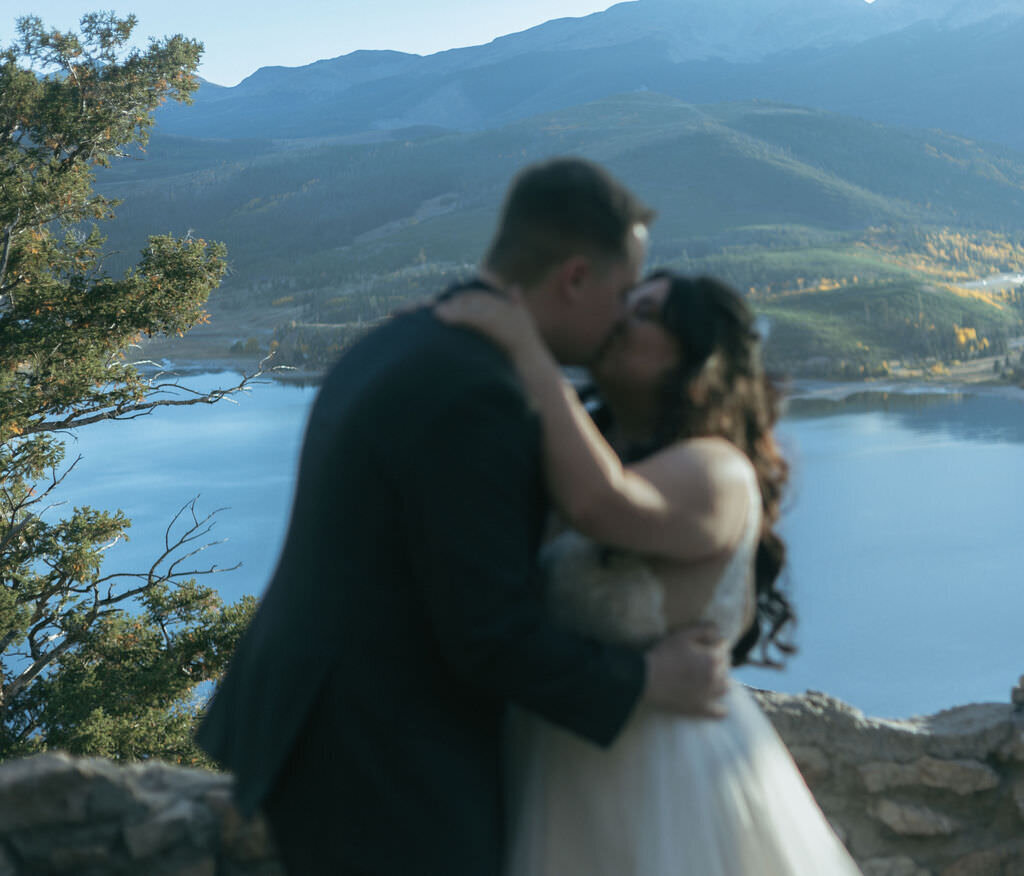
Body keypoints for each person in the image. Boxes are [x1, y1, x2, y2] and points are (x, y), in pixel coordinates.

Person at [195, 159, 734, 875]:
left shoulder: (408, 341)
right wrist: (646, 681)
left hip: (324, 737)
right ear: (574, 278)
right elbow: (488, 633)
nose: (619, 317)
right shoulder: (479, 393)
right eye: (623, 292)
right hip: (382, 769)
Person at [436, 270, 864, 875]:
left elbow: (602, 506)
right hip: (555, 771)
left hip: (672, 782)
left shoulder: (718, 471)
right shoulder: (574, 455)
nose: (619, 319)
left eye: (644, 315)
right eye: (623, 303)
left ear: (697, 360)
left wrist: (526, 350)